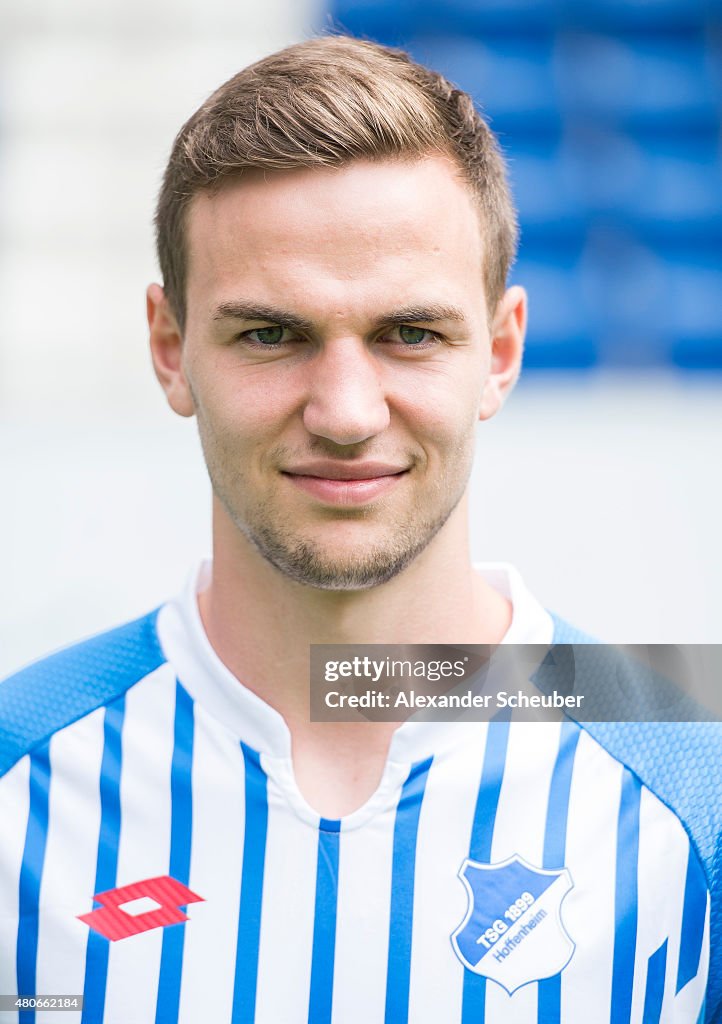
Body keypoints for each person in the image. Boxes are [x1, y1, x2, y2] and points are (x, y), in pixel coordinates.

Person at [0, 34, 719, 1024]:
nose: (345, 412)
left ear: (501, 350)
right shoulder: (16, 776)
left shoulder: (692, 784)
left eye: (408, 334)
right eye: (270, 334)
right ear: (169, 349)